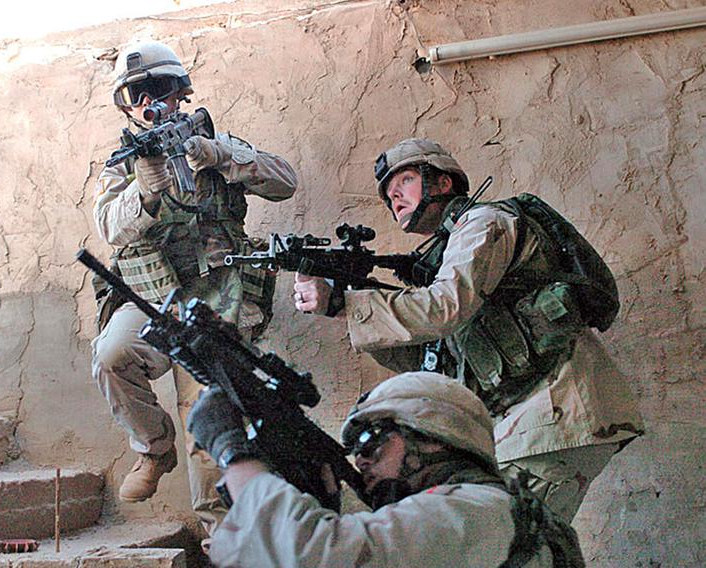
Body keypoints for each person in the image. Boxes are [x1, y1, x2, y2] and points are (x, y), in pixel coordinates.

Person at [292, 138, 642, 520]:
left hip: (556, 410)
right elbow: (430, 356)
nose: (395, 198)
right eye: (389, 196)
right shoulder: (447, 255)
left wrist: (349, 302)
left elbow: (445, 308)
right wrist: (347, 306)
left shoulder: (483, 222)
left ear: (442, 183)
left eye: (404, 182)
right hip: (532, 420)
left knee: (505, 547)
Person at [90, 40, 297, 534]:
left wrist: (220, 156)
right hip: (154, 296)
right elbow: (109, 228)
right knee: (112, 354)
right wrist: (144, 189)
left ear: (180, 91)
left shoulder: (216, 142)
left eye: (158, 88)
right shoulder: (124, 163)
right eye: (136, 94)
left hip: (219, 294)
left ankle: (220, 536)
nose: (148, 102)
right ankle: (154, 450)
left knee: (208, 410)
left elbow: (284, 180)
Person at [187, 371, 584, 567]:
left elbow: (311, 556)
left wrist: (231, 452)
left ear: (430, 439)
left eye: (371, 442)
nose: (360, 460)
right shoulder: (495, 509)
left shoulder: (477, 508)